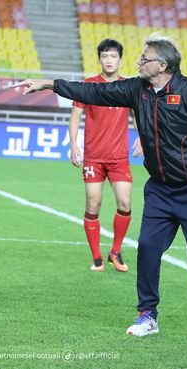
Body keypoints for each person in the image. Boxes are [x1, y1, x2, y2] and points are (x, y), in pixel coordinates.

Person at [13, 33, 187, 341]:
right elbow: (92, 92)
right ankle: (148, 315)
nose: (138, 62)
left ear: (162, 64)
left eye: (143, 58)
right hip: (160, 188)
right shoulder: (136, 89)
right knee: (147, 249)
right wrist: (50, 84)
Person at [68, 38, 142, 272]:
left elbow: (138, 115)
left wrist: (142, 136)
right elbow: (75, 116)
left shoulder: (128, 87)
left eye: (113, 56)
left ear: (120, 59)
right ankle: (97, 257)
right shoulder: (89, 86)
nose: (109, 60)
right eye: (105, 56)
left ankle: (116, 251)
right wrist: (73, 145)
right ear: (99, 59)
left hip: (119, 157)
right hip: (94, 157)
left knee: (125, 202)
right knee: (93, 204)